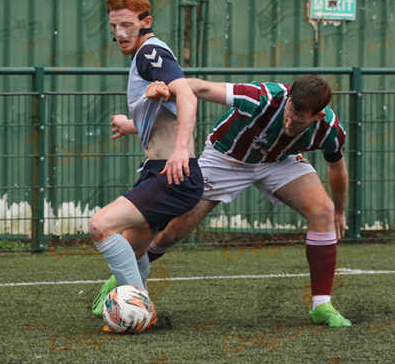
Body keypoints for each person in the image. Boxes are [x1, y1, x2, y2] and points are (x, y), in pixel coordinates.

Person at [93, 74, 352, 327]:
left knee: (324, 211)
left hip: (277, 162)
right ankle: (122, 278)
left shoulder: (329, 129)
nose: (288, 123)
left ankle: (321, 306)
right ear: (289, 99)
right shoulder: (262, 97)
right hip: (224, 159)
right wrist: (166, 89)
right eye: (289, 113)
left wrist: (339, 212)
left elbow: (337, 169)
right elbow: (201, 88)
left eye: (297, 122)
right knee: (172, 231)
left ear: (317, 116)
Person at [87, 0, 204, 331]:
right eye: (114, 26)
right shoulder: (148, 55)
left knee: (100, 226)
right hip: (162, 170)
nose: (120, 33)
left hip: (173, 172)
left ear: (145, 22)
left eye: (126, 24)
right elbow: (165, 105)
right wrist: (133, 124)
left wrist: (181, 148)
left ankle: (140, 308)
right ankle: (141, 307)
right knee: (134, 247)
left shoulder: (149, 53)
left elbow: (187, 96)